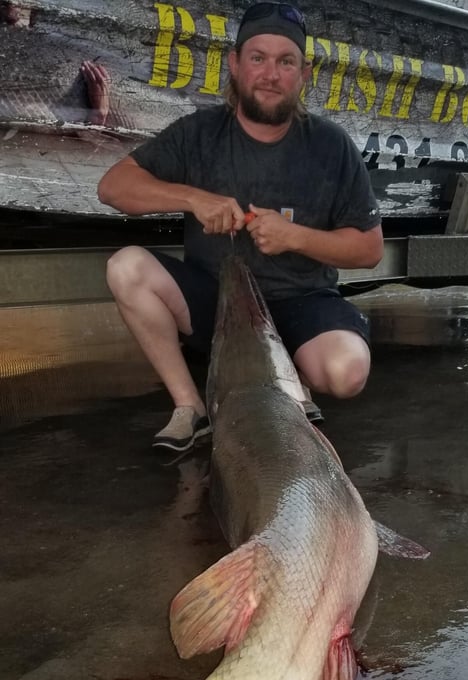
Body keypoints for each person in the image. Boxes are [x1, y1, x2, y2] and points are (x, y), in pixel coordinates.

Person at [98, 1, 384, 453]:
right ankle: (192, 409)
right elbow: (113, 187)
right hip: (220, 304)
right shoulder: (199, 132)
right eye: (258, 58)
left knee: (347, 372)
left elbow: (369, 251)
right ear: (234, 64)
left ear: (303, 73)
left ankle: (290, 386)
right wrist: (193, 198)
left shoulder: (332, 145)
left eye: (285, 61)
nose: (270, 74)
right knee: (126, 267)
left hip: (302, 303)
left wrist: (296, 238)